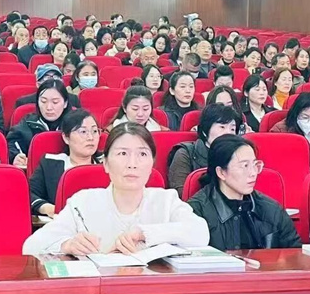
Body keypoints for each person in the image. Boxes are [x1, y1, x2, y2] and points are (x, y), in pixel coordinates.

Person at [23, 123, 209, 256]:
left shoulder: (166, 200)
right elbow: (30, 247)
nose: (132, 163)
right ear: (105, 163)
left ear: (152, 164)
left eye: (142, 154)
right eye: (122, 153)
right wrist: (67, 245)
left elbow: (201, 233)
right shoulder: (83, 202)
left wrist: (144, 233)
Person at [188, 135, 301, 250]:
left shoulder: (272, 209)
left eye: (255, 164)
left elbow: (294, 254)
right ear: (221, 172)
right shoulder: (196, 212)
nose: (253, 173)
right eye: (245, 166)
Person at [29, 109, 103, 217]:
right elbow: (28, 194)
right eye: (83, 132)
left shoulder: (107, 166)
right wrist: (48, 208)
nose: (91, 138)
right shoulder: (49, 164)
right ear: (66, 138)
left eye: (95, 131)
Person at [168, 104, 242, 197]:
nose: (228, 133)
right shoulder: (185, 154)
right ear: (205, 131)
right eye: (222, 127)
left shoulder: (238, 155)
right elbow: (181, 195)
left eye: (232, 129)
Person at [8, 78, 73, 167]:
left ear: (65, 103)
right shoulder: (28, 122)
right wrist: (15, 156)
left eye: (55, 102)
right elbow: (11, 143)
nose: (49, 107)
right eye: (43, 101)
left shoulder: (74, 125)